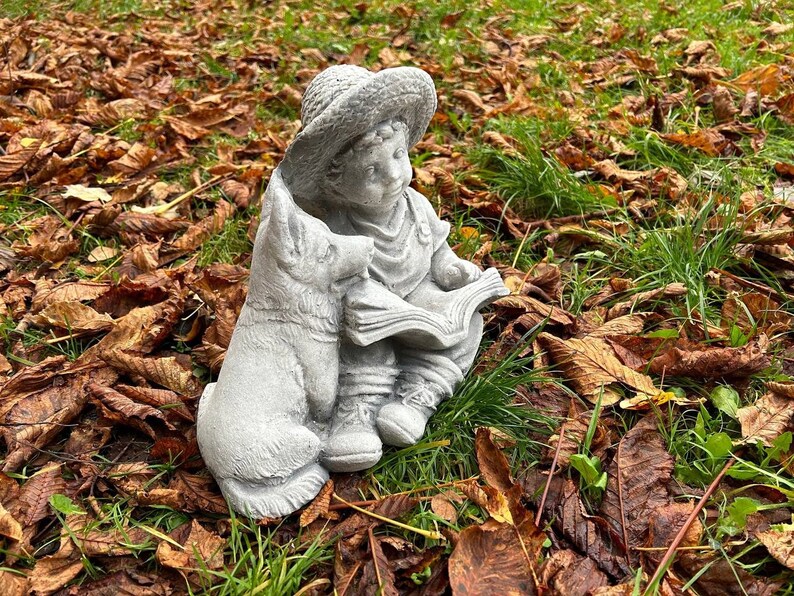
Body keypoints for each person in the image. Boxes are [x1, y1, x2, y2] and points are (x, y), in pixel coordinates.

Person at [278, 65, 501, 472]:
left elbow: (438, 251)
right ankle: (357, 413)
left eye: (399, 155)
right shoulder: (335, 227)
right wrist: (368, 308)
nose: (395, 174)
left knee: (467, 325)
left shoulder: (416, 206)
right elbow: (327, 284)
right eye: (371, 170)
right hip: (368, 318)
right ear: (336, 184)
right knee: (365, 349)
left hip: (419, 294)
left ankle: (418, 395)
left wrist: (452, 270)